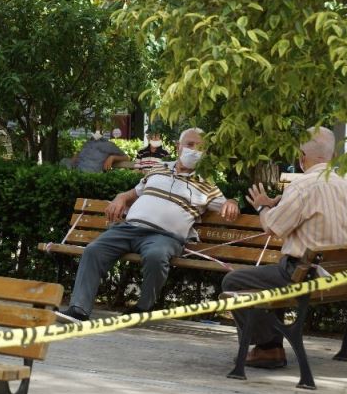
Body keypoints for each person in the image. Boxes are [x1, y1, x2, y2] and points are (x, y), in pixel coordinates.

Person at [57, 128, 240, 322]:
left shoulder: (207, 184)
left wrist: (233, 202)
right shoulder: (158, 169)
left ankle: (142, 309)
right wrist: (121, 197)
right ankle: (79, 310)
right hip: (129, 228)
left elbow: (229, 203)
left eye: (200, 147)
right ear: (178, 147)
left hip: (164, 237)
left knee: (156, 256)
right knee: (93, 250)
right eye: (190, 145)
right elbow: (134, 193)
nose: (194, 150)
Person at [221, 126, 347, 369]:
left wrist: (263, 206)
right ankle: (271, 345)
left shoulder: (303, 185)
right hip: (338, 275)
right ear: (333, 157)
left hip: (306, 275)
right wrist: (281, 203)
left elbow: (272, 227)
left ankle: (267, 348)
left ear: (301, 157)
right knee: (272, 275)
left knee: (234, 281)